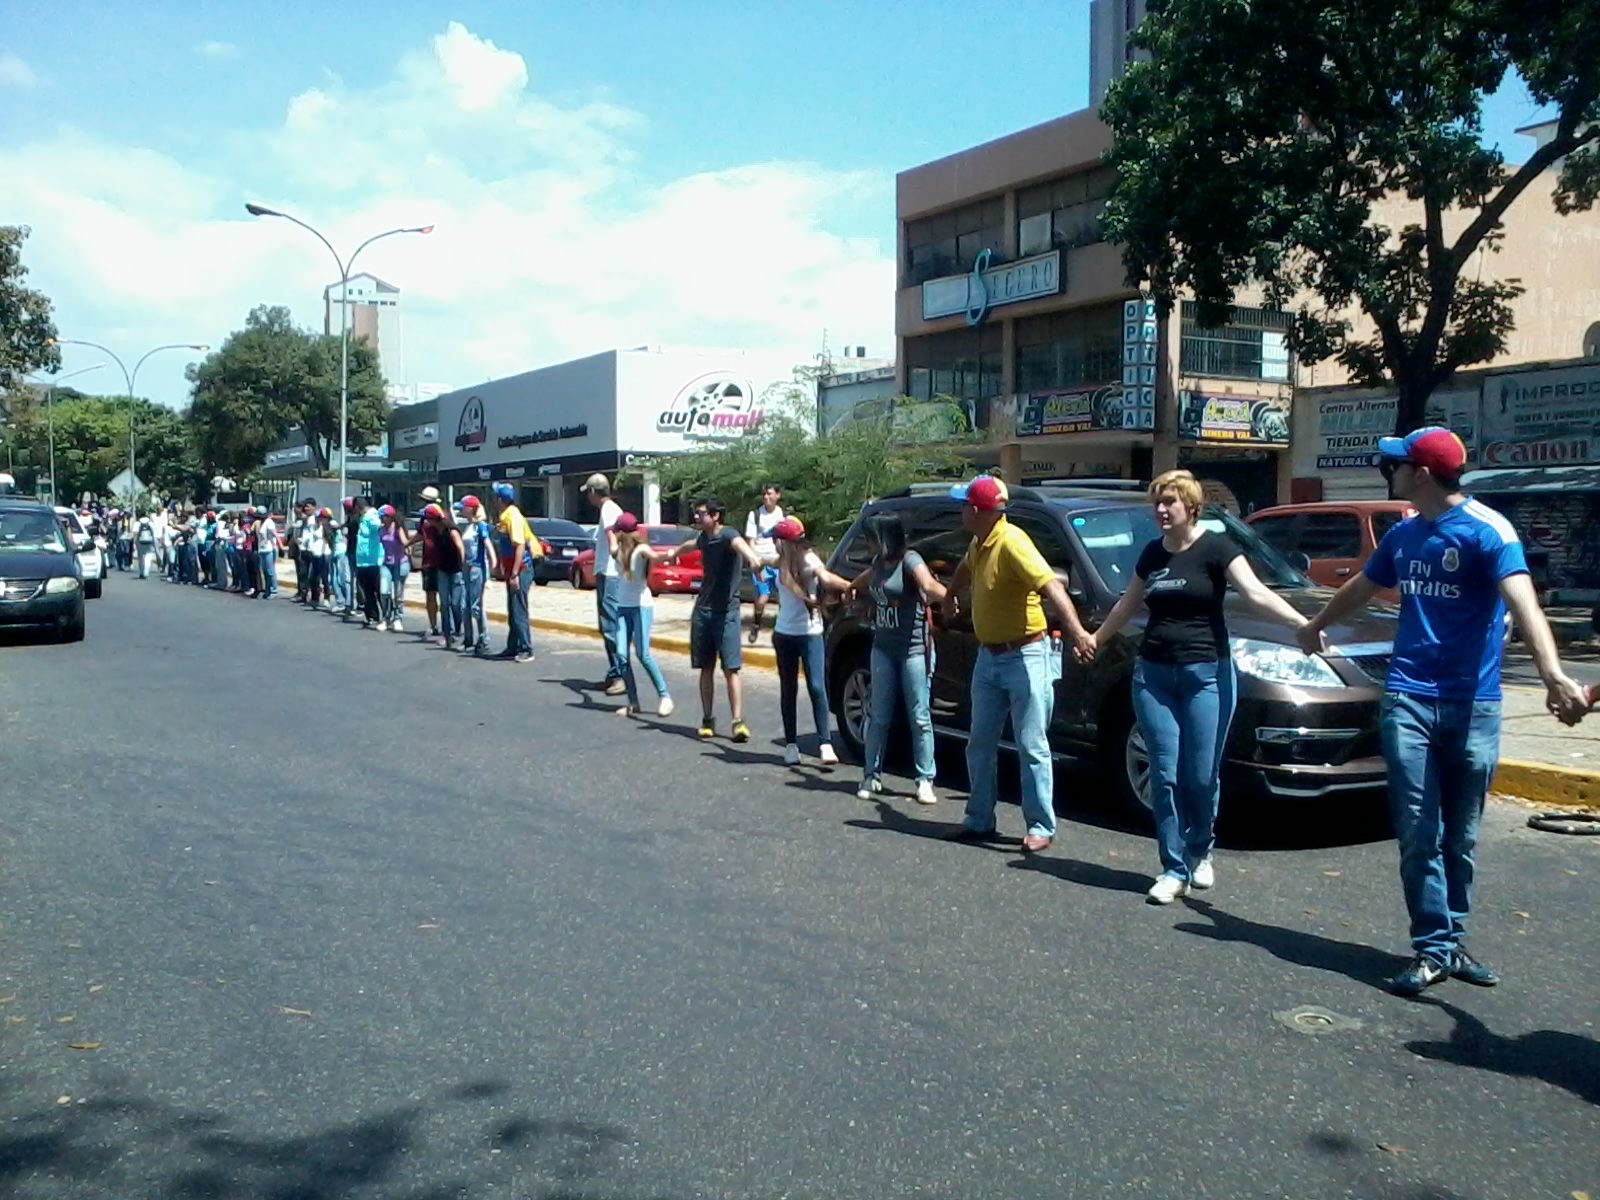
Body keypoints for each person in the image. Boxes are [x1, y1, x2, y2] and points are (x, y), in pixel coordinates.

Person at [1297, 427, 1589, 995]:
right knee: (1418, 829)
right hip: (1409, 698)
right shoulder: (1406, 535)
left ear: (1421, 474)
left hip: (1473, 704)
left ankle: (1451, 939)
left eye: (1397, 464)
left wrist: (1553, 674)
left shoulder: (1488, 532)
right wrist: (1316, 625)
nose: (1391, 471)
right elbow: (1362, 586)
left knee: (1461, 833)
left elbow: (1522, 602)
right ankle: (1432, 945)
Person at [1090, 470, 1314, 903]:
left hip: (1206, 674)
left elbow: (1255, 594)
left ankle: (1200, 850)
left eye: (1169, 502)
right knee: (1164, 773)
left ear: (1190, 506)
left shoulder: (1217, 547)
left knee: (1200, 773)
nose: (1161, 510)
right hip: (1154, 674)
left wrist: (1302, 625)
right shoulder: (1153, 554)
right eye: (1157, 502)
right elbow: (1127, 604)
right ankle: (1172, 867)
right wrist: (1096, 640)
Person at [939, 476, 1094, 853]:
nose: (961, 511)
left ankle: (1041, 825)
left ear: (976, 511)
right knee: (980, 742)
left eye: (964, 506)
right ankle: (978, 819)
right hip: (989, 658)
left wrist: (1077, 632)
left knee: (1031, 743)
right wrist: (949, 596)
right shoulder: (982, 542)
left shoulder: (1012, 543)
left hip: (1025, 655)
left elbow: (1052, 586)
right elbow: (965, 568)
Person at [853, 512, 946, 805]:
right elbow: (860, 582)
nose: (867, 543)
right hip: (883, 648)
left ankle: (924, 779)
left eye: (870, 538)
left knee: (919, 716)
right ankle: (871, 774)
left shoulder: (910, 560)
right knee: (878, 714)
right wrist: (848, 591)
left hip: (913, 650)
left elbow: (929, 587)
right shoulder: (878, 564)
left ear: (884, 537)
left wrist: (953, 596)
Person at [665, 496, 765, 742]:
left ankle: (738, 722)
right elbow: (692, 544)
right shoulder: (704, 537)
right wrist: (674, 552)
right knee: (705, 667)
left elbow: (740, 545)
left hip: (727, 613)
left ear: (715, 516)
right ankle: (707, 718)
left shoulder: (727, 534)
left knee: (731, 668)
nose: (697, 517)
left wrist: (752, 559)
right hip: (703, 611)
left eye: (701, 513)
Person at [770, 516, 849, 767]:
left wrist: (849, 585)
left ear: (785, 542)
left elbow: (826, 578)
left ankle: (825, 743)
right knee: (788, 688)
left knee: (817, 686)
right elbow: (765, 562)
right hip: (784, 634)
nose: (774, 544)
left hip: (810, 633)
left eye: (777, 540)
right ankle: (791, 745)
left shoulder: (809, 560)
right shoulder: (782, 564)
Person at [607, 512, 673, 717]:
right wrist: (611, 530)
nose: (615, 533)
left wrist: (671, 553)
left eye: (618, 530)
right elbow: (609, 537)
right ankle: (633, 703)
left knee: (642, 653)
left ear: (623, 533)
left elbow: (656, 556)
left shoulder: (641, 549)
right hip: (623, 607)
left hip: (642, 606)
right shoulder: (617, 551)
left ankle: (665, 696)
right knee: (621, 655)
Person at [582, 473, 628, 694]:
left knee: (611, 625)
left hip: (610, 574)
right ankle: (615, 672)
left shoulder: (608, 510)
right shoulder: (610, 509)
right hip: (608, 573)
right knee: (607, 624)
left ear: (593, 492)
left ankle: (620, 675)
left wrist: (612, 552)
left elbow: (612, 534)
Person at [494, 483, 537, 663]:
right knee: (512, 609)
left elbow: (519, 546)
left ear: (500, 500)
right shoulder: (507, 516)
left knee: (519, 609)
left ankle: (526, 648)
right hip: (512, 569)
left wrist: (514, 574)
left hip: (520, 570)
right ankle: (513, 646)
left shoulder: (513, 517)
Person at [744, 484, 786, 644]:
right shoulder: (755, 515)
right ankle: (756, 624)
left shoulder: (783, 515)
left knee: (784, 597)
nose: (766, 497)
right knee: (762, 598)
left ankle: (781, 629)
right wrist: (755, 561)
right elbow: (751, 540)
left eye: (769, 494)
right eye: (764, 495)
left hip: (778, 561)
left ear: (777, 495)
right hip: (761, 561)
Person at [458, 496, 497, 657]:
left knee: (475, 606)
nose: (461, 510)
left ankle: (484, 639)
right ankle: (468, 640)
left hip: (476, 567)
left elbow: (487, 544)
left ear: (471, 509)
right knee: (465, 606)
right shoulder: (468, 526)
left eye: (463, 507)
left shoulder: (480, 526)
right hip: (467, 567)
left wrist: (493, 561)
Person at [425, 503, 466, 650]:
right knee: (444, 604)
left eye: (428, 518)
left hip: (456, 570)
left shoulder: (451, 530)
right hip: (442, 570)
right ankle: (447, 634)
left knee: (456, 603)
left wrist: (463, 566)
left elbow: (460, 547)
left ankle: (457, 630)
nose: (427, 522)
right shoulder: (435, 531)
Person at [377, 505, 411, 631]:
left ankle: (397, 618)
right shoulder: (381, 530)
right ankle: (386, 618)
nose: (381, 518)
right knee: (384, 592)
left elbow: (405, 542)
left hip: (400, 563)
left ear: (390, 517)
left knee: (397, 594)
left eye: (383, 516)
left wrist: (408, 548)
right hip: (386, 564)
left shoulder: (398, 529)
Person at [354, 496, 385, 629]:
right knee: (367, 591)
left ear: (358, 506)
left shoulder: (372, 516)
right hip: (363, 561)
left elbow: (379, 526)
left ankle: (385, 616)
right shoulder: (363, 517)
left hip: (373, 561)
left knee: (378, 590)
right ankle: (372, 615)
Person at [418, 486, 444, 638]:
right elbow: (421, 535)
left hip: (436, 560)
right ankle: (434, 625)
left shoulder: (439, 515)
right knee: (431, 595)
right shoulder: (426, 516)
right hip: (429, 560)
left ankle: (441, 626)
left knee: (436, 596)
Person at [257, 507, 279, 599]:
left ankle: (274, 590)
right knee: (265, 571)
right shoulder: (261, 523)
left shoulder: (269, 522)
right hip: (262, 549)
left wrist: (280, 546)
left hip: (269, 549)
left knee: (270, 571)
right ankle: (267, 590)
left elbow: (275, 534)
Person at [134, 509, 158, 578]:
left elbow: (135, 533)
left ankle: (141, 572)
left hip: (140, 542)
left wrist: (134, 543)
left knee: (141, 557)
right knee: (148, 557)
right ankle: (146, 572)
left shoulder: (137, 523)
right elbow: (154, 533)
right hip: (149, 541)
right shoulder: (150, 522)